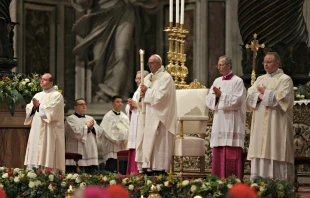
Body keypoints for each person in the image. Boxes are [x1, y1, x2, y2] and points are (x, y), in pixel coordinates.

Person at [71, 0, 157, 101]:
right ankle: (103, 90)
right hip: (100, 13)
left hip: (125, 10)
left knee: (122, 52)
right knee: (98, 58)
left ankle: (114, 92)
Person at [246, 52, 295, 181]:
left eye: (268, 62)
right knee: (259, 151)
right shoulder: (260, 79)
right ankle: (257, 184)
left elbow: (282, 99)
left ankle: (279, 187)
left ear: (277, 63)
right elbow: (250, 95)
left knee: (275, 149)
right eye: (264, 62)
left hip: (276, 124)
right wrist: (262, 95)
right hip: (260, 123)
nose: (265, 65)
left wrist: (264, 92)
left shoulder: (285, 79)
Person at [205, 55, 246, 179]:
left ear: (229, 66)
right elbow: (209, 99)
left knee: (231, 152)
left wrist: (221, 95)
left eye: (221, 65)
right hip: (219, 120)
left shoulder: (238, 81)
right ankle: (217, 180)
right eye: (218, 65)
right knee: (219, 150)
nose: (219, 67)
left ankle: (232, 181)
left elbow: (237, 102)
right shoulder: (217, 81)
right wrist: (217, 97)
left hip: (232, 122)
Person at [135, 54, 177, 174]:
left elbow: (162, 97)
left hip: (159, 117)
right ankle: (146, 167)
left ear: (159, 63)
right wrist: (141, 95)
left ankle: (159, 170)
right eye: (148, 63)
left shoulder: (166, 78)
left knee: (158, 145)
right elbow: (138, 94)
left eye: (152, 63)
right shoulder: (147, 78)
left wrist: (147, 92)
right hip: (146, 115)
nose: (150, 65)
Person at [24, 73, 65, 172]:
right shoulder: (37, 95)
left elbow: (53, 112)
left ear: (51, 83)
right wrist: (34, 107)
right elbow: (29, 107)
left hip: (49, 130)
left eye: (45, 79)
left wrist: (39, 107)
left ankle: (48, 174)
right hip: (36, 129)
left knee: (47, 151)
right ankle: (33, 173)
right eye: (41, 79)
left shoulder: (57, 96)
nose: (41, 81)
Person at [65, 98, 103, 174]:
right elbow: (75, 132)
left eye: (85, 104)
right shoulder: (70, 119)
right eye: (81, 104)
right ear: (75, 107)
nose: (84, 106)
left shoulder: (90, 118)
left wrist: (92, 128)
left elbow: (99, 130)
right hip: (76, 153)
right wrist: (87, 127)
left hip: (90, 153)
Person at [125, 70, 149, 174]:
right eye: (136, 78)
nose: (137, 81)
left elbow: (148, 107)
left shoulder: (147, 90)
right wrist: (130, 107)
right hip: (135, 122)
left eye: (139, 78)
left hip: (143, 124)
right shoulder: (137, 91)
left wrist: (136, 106)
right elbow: (130, 109)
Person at [100, 95, 129, 173]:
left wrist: (124, 134)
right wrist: (118, 137)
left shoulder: (125, 117)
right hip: (112, 148)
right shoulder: (108, 117)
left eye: (121, 102)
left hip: (122, 148)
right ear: (112, 103)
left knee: (122, 171)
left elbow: (128, 130)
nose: (120, 104)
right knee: (112, 170)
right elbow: (106, 132)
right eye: (117, 102)